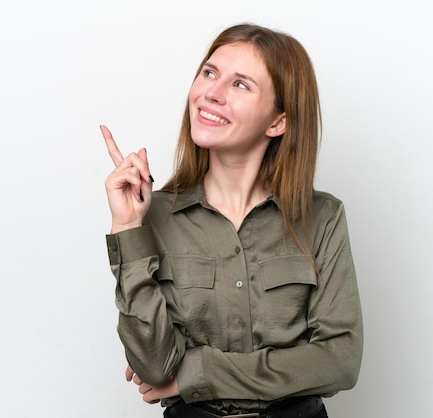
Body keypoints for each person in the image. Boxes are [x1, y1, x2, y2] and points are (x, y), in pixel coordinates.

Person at [101, 23, 363, 418]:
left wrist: (195, 373)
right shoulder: (149, 215)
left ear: (278, 122)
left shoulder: (321, 218)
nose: (212, 93)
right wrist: (126, 229)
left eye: (241, 85)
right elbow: (154, 368)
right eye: (210, 73)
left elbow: (339, 361)